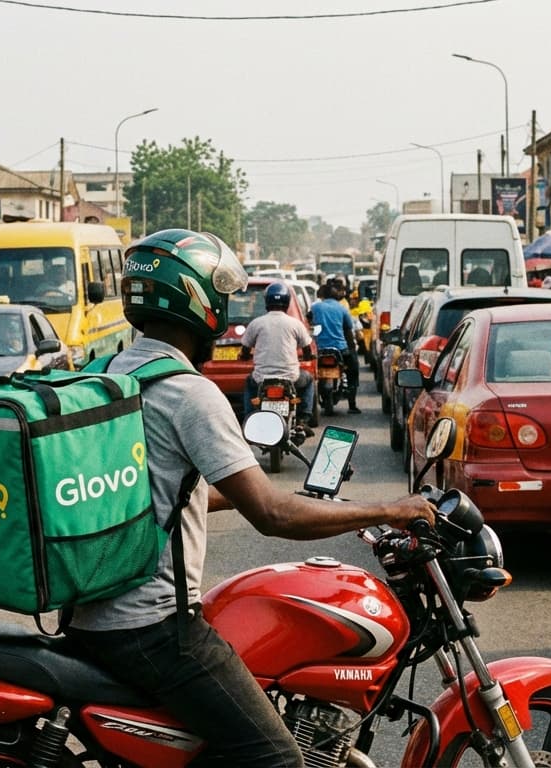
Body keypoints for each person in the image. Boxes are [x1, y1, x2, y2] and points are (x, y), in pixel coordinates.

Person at [65, 228, 434, 768]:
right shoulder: (188, 392)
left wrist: (242, 491)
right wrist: (389, 508)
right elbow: (274, 516)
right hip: (154, 627)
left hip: (89, 614)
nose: (224, 308)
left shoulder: (108, 375)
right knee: (277, 758)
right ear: (197, 302)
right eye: (219, 296)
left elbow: (146, 494)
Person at [241, 281, 315, 425]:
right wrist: (307, 357)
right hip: (292, 379)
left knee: (249, 382)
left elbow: (245, 349)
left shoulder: (256, 323)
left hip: (261, 379)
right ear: (287, 301)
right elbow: (307, 349)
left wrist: (244, 357)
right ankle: (304, 419)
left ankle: (249, 418)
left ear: (266, 301)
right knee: (309, 379)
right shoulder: (295, 324)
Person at [310, 282, 361, 414]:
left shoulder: (315, 308)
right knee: (353, 371)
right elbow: (348, 331)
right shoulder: (342, 308)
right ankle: (352, 404)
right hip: (340, 349)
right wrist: (352, 350)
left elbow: (307, 322)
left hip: (320, 349)